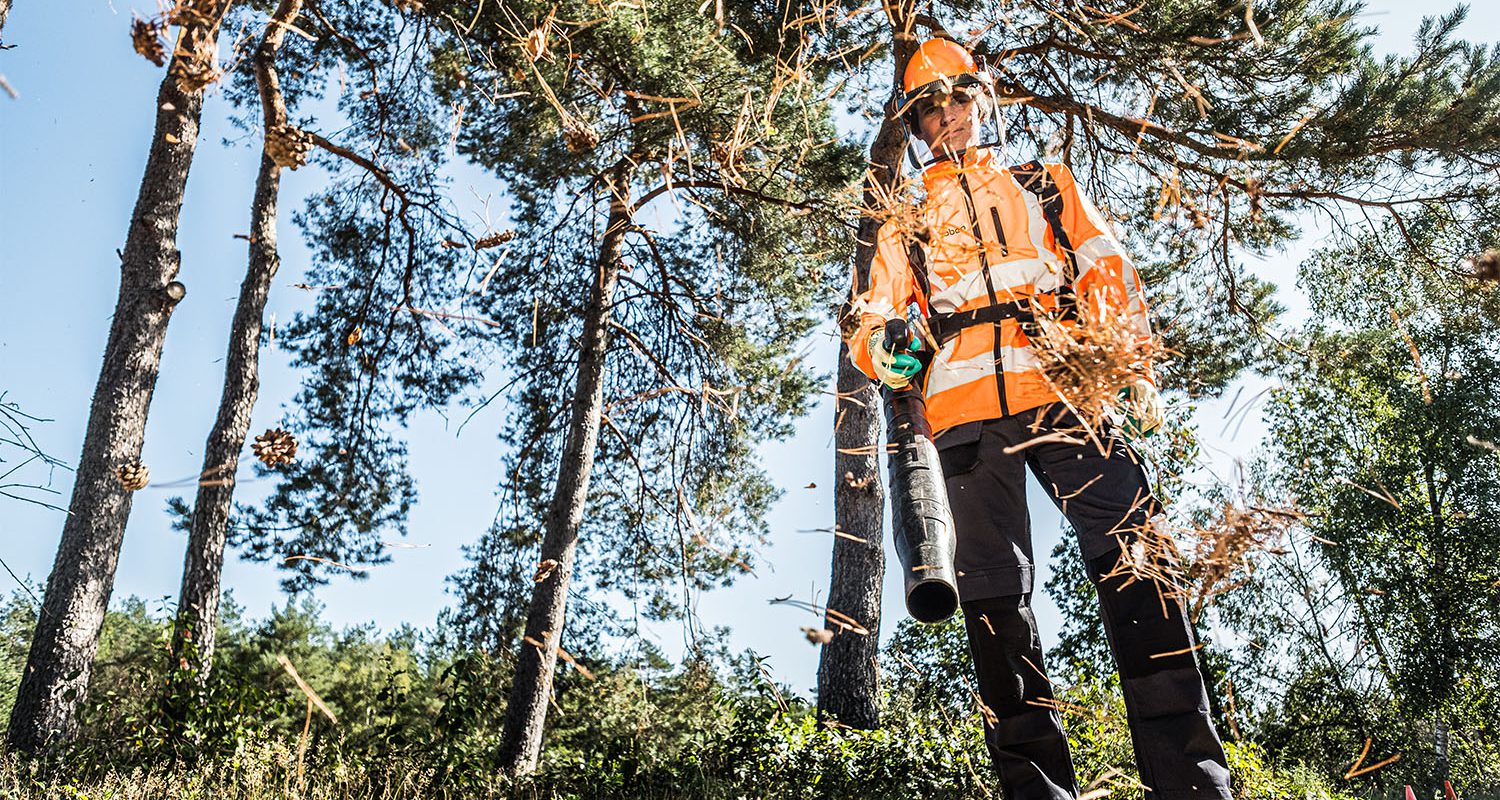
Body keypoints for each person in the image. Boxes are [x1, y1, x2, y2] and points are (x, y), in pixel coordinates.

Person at [846, 38, 1233, 799]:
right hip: (959, 416)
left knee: (1138, 564)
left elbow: (1105, 264)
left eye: (958, 97)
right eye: (930, 106)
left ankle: (1192, 784)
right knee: (995, 607)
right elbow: (874, 315)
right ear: (916, 124)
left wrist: (1134, 366)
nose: (947, 114)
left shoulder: (1043, 182)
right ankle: (1036, 792)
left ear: (981, 100)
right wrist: (883, 349)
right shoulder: (907, 219)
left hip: (1067, 389)